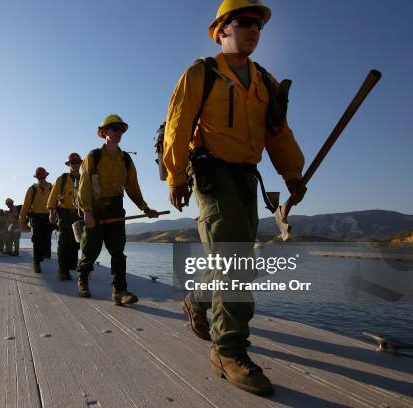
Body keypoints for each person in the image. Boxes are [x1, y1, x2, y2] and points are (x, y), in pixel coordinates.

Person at [163, 0, 306, 396]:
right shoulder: (201, 74)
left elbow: (277, 133)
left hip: (247, 180)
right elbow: (177, 126)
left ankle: (196, 300)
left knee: (239, 261)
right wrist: (175, 177)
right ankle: (227, 351)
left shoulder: (264, 81)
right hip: (212, 177)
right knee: (233, 262)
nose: (254, 29)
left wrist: (292, 174)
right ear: (221, 30)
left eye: (258, 24)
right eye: (245, 22)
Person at [76, 114, 159, 305]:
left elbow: (132, 187)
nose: (118, 132)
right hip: (95, 209)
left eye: (120, 129)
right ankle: (82, 280)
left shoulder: (126, 160)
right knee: (90, 250)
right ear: (104, 132)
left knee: (118, 252)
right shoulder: (93, 156)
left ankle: (120, 291)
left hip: (116, 209)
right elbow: (84, 186)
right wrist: (87, 212)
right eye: (114, 128)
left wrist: (145, 208)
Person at [48, 153, 83, 281]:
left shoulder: (84, 179)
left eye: (77, 162)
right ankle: (63, 270)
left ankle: (71, 266)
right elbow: (52, 197)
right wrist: (51, 213)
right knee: (64, 240)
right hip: (64, 213)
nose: (75, 164)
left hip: (79, 214)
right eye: (72, 162)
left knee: (76, 242)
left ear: (80, 163)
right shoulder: (61, 179)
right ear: (69, 164)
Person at [19, 168, 53, 272]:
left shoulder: (51, 188)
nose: (41, 179)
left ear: (46, 177)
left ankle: (44, 253)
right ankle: (36, 263)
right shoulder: (32, 189)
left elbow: (57, 202)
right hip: (36, 217)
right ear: (37, 178)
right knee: (37, 239)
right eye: (39, 177)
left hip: (49, 217)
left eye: (43, 177)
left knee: (47, 239)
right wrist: (23, 222)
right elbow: (25, 207)